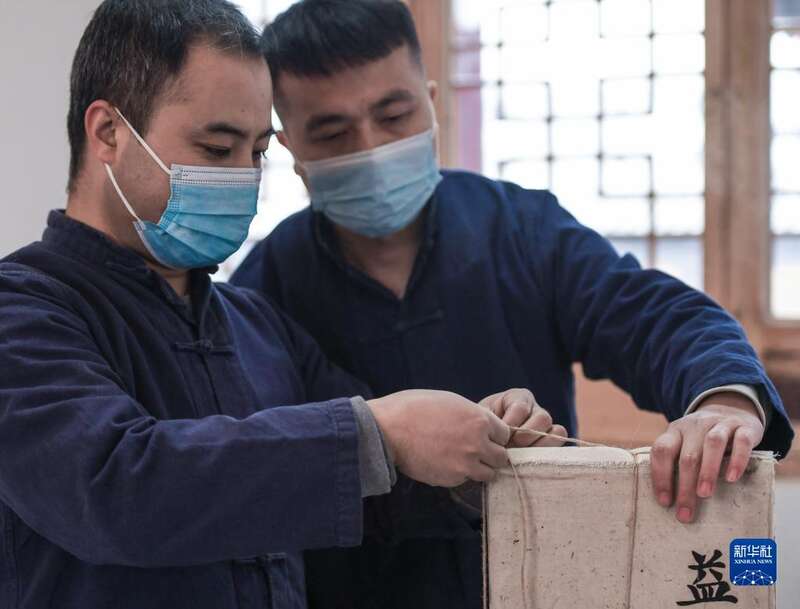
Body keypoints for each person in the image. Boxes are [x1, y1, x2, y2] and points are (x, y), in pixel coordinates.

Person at [230, 1, 796, 607]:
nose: (371, 148)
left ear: (431, 103)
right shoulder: (267, 287)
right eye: (332, 133)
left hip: (545, 579)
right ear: (288, 145)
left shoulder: (521, 230)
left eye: (393, 115)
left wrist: (724, 398)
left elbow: (652, 316)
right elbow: (267, 470)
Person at [0, 2, 548, 607]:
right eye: (217, 148)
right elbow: (117, 488)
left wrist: (475, 454)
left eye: (257, 152)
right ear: (108, 131)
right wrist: (379, 434)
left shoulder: (255, 325)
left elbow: (376, 484)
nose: (244, 178)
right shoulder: (24, 311)